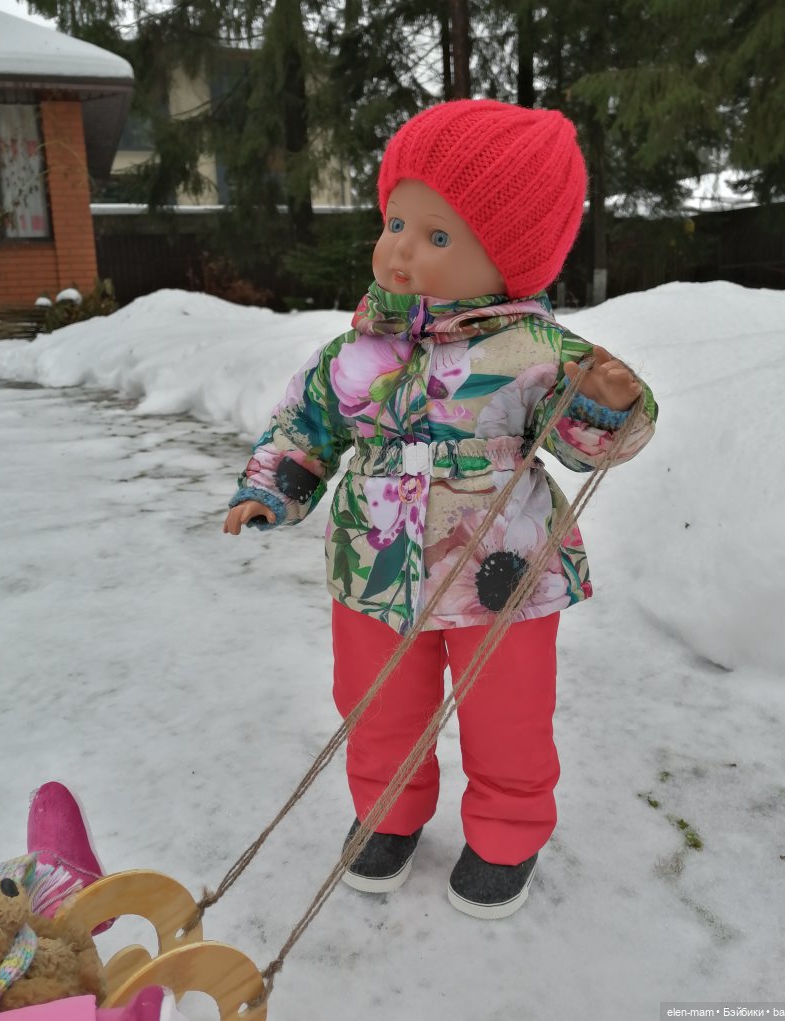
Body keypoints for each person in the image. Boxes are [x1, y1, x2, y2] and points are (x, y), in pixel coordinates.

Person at [224, 100, 657, 920]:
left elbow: (585, 447)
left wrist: (604, 403)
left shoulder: (538, 352)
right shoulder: (359, 350)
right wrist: (271, 485)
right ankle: (386, 817)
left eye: (436, 235)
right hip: (374, 564)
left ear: (507, 259)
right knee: (377, 705)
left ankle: (506, 834)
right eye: (395, 223)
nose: (401, 250)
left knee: (507, 716)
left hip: (502, 575)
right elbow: (307, 421)